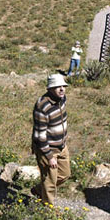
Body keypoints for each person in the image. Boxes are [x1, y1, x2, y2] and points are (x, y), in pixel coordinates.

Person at [32, 73, 71, 205]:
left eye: (63, 86)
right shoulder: (42, 106)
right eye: (57, 87)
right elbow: (40, 136)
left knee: (65, 174)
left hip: (61, 145)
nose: (62, 89)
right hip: (47, 148)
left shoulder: (62, 98)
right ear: (49, 89)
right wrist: (49, 156)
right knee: (49, 182)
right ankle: (48, 211)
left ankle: (39, 190)